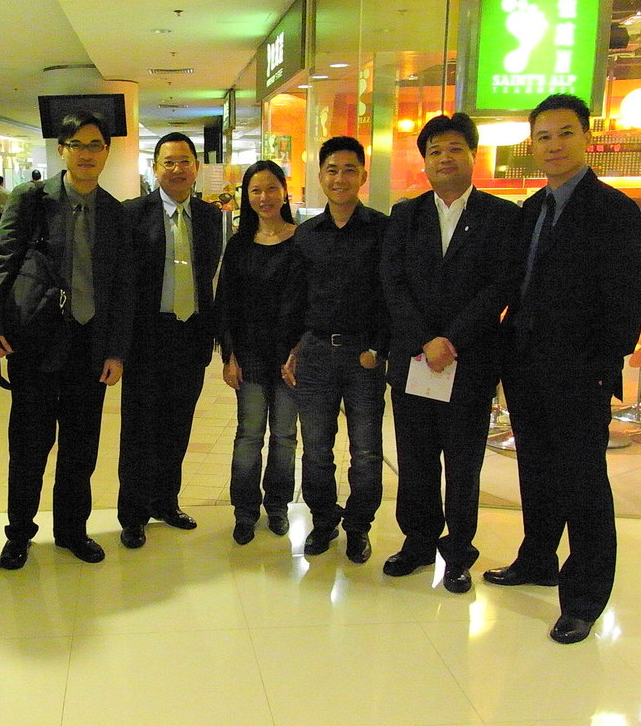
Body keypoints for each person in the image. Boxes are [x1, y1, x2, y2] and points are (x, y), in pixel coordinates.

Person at [487, 94, 641, 644]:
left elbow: (629, 298)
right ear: (532, 145)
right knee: (535, 469)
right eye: (543, 137)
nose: (553, 145)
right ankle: (538, 559)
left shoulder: (614, 210)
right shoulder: (533, 207)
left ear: (586, 137)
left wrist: (603, 365)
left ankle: (583, 598)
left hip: (580, 370)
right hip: (526, 363)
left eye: (565, 133)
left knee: (583, 483)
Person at [0, 111, 133, 567]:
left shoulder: (115, 212)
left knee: (80, 448)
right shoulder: (30, 199)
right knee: (29, 445)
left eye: (95, 145)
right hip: (36, 339)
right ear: (62, 150)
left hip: (90, 345)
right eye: (77, 144)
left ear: (106, 151)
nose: (87, 153)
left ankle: (71, 530)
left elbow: (122, 287)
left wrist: (116, 351)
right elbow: (4, 261)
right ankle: (19, 533)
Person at [380, 114, 520, 593]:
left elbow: (499, 286)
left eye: (455, 148)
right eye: (435, 151)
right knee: (416, 459)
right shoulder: (406, 215)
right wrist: (426, 340)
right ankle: (418, 542)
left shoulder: (502, 216)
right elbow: (393, 283)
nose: (445, 158)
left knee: (463, 465)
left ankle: (459, 552)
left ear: (472, 155)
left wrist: (452, 340)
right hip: (415, 361)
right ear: (424, 161)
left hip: (470, 361)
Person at [281, 136, 389, 563]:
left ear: (363, 175)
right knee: (316, 450)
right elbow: (295, 298)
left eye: (349, 170)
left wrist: (379, 347)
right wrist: (291, 349)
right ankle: (324, 521)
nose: (340, 178)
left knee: (366, 451)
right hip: (316, 354)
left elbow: (391, 294)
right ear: (321, 176)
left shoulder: (383, 229)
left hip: (364, 356)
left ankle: (359, 526)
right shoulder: (306, 234)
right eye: (332, 170)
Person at [116, 132, 223, 549]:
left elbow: (207, 275)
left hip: (191, 335)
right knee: (139, 430)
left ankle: (166, 501)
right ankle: (133, 514)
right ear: (155, 168)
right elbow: (122, 284)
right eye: (169, 162)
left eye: (185, 161)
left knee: (178, 427)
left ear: (196, 167)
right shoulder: (132, 213)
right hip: (147, 338)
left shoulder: (210, 217)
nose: (177, 169)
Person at [215, 160, 298, 545]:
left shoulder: (302, 240)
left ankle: (278, 506)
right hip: (248, 356)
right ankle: (245, 511)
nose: (264, 197)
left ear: (284, 191)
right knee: (249, 435)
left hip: (290, 359)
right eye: (256, 190)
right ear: (246, 197)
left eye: (271, 188)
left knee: (284, 436)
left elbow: (310, 301)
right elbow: (225, 304)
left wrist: (300, 349)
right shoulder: (239, 245)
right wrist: (228, 356)